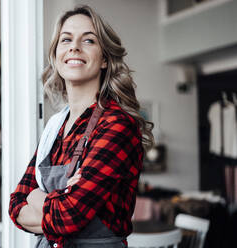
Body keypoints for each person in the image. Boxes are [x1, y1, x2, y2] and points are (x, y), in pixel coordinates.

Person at [9, 5, 154, 248]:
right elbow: (15, 204)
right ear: (56, 55)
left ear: (105, 59)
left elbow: (69, 217)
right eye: (66, 39)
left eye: (88, 40)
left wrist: (36, 197)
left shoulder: (117, 125)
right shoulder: (55, 127)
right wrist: (55, 201)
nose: (74, 47)